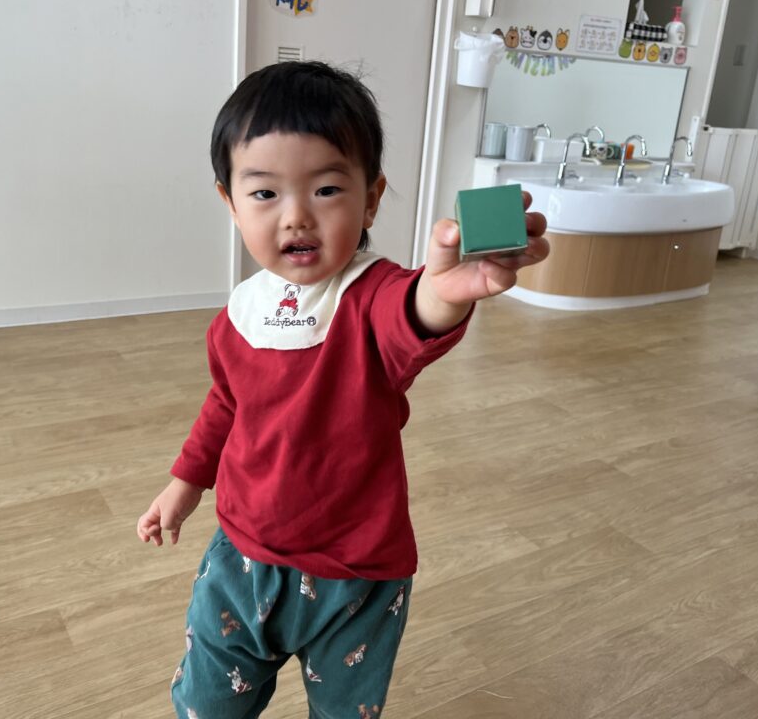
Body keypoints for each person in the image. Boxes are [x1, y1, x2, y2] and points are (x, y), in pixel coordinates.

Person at [135, 60, 549, 718]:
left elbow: (411, 316)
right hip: (240, 560)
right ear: (230, 203)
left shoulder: (372, 295)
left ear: (371, 198)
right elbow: (226, 404)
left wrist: (444, 293)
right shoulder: (240, 312)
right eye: (265, 193)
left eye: (327, 189)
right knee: (206, 705)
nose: (297, 216)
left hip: (356, 580)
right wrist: (184, 484)